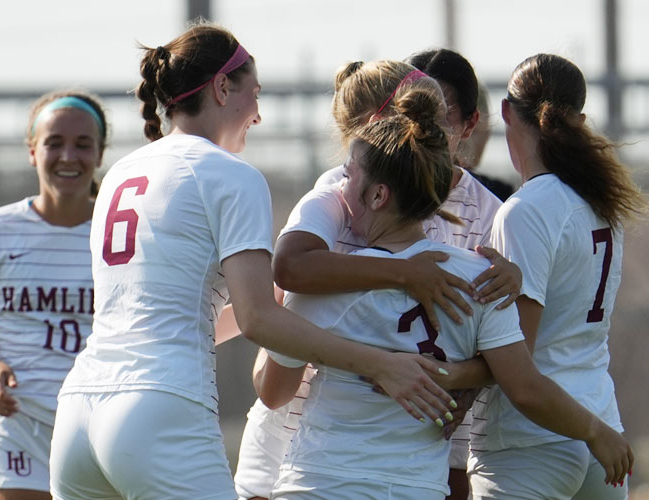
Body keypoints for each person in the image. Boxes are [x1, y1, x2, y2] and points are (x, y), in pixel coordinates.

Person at [49, 23, 454, 499]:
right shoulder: (230, 173)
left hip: (77, 415)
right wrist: (381, 364)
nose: (258, 115)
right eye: (254, 93)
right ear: (223, 88)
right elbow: (259, 319)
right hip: (159, 406)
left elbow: (175, 311)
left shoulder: (120, 171)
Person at [266, 70, 630, 500]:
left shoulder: (324, 286)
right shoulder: (483, 280)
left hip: (323, 481)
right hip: (423, 484)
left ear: (379, 195)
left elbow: (273, 389)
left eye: (350, 176)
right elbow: (514, 371)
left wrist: (282, 336)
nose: (342, 185)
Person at [234, 57, 518, 500]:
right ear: (376, 123)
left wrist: (454, 374)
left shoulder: (489, 211)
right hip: (301, 440)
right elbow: (290, 269)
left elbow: (507, 349)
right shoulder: (341, 191)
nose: (423, 129)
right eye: (413, 112)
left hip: (416, 455)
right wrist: (403, 274)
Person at [463, 53, 649, 500]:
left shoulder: (526, 210)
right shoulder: (601, 201)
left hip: (531, 441)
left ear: (506, 112)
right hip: (599, 427)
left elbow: (519, 368)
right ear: (580, 120)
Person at [0, 90, 109, 500]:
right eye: (54, 143)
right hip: (19, 423)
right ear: (33, 151)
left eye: (83, 145)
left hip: (102, 425)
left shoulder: (121, 236)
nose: (69, 156)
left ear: (100, 154)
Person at [408, 49, 512, 201]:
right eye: (409, 111)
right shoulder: (370, 195)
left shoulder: (490, 214)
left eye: (440, 116)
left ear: (470, 124)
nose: (420, 126)